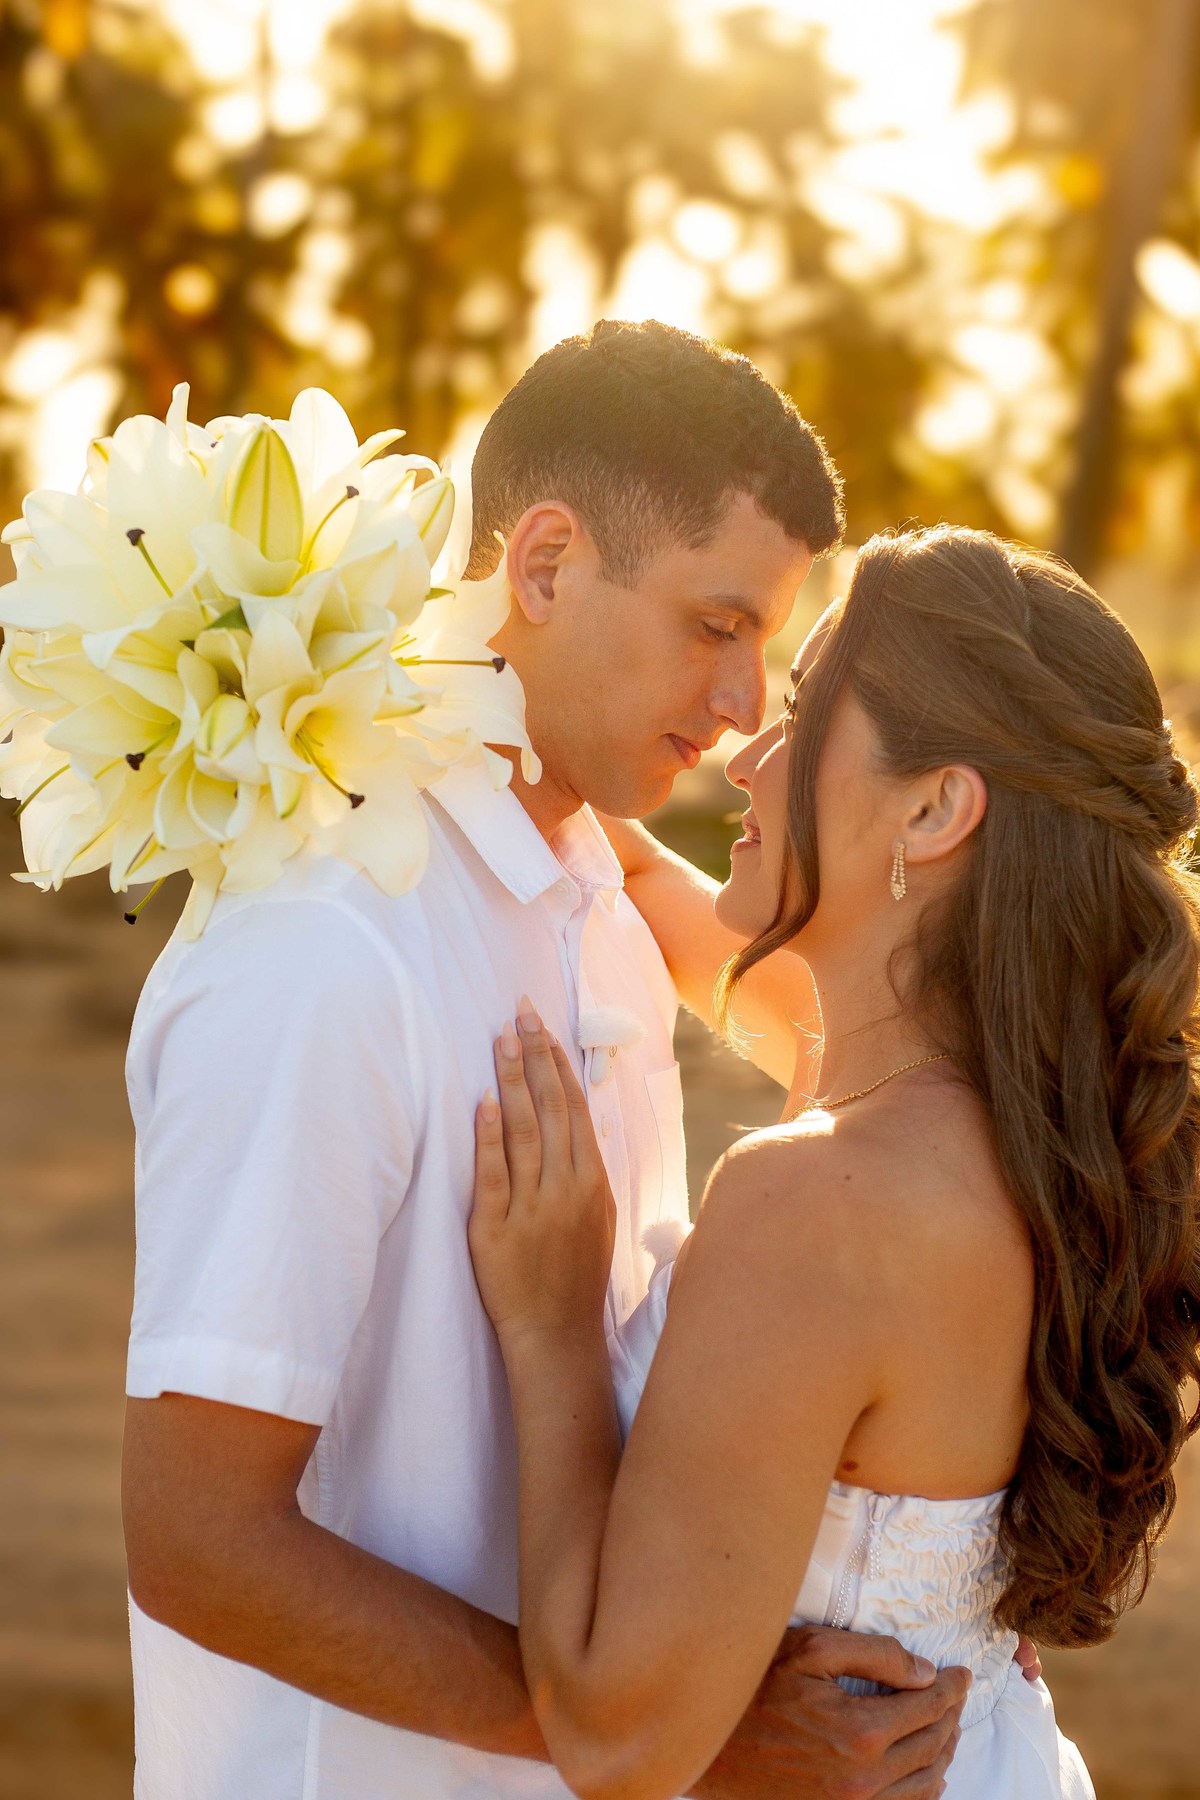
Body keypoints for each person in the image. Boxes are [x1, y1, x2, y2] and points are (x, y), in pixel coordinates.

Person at [120, 321, 974, 1800]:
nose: (743, 708)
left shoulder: (597, 884)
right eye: (717, 626)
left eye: (766, 644)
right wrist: (664, 1730)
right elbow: (199, 1541)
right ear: (546, 564)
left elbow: (871, 1068)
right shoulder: (328, 948)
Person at [469, 525, 1200, 1800]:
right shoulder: (1036, 1126)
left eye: (803, 708)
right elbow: (636, 877)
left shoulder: (816, 1203)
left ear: (933, 807)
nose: (745, 755)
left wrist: (551, 1326)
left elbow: (612, 1734)